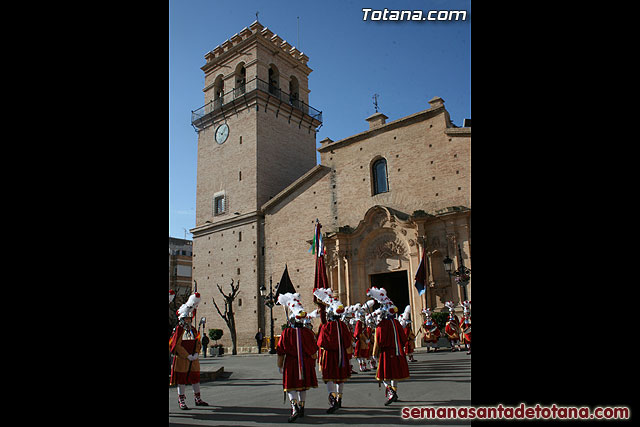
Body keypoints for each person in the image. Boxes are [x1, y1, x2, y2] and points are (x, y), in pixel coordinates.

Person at [276, 293, 319, 423]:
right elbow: (313, 349)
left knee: (291, 386)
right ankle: (302, 406)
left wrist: (280, 365)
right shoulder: (308, 333)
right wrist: (313, 361)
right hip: (305, 363)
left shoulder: (286, 333)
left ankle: (294, 408)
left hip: (291, 363)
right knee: (302, 386)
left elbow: (281, 350)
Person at [367, 287, 410, 406]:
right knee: (395, 373)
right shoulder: (396, 323)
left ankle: (391, 392)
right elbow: (403, 338)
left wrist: (374, 354)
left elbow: (378, 341)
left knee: (383, 375)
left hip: (386, 353)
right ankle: (394, 391)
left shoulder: (382, 325)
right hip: (397, 351)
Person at [314, 287, 352, 414]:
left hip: (329, 356)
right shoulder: (343, 325)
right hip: (341, 355)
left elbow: (321, 343)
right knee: (340, 378)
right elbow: (347, 341)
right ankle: (340, 399)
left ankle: (333, 400)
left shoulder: (326, 327)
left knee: (330, 378)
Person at [169, 292, 209, 410]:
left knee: (195, 378)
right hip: (182, 359)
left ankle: (198, 398)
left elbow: (198, 342)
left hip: (193, 358)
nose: (188, 321)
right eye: (186, 318)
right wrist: (187, 355)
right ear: (182, 319)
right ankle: (181, 399)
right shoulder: (179, 331)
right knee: (181, 380)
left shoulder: (193, 330)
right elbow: (176, 345)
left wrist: (196, 352)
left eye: (189, 319)